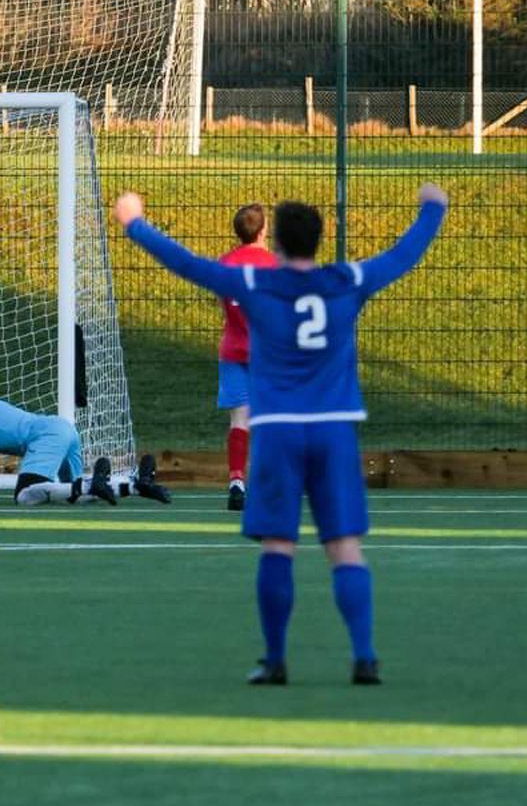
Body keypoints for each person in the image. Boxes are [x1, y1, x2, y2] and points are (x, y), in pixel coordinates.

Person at [116, 183, 449, 686]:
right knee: (344, 547)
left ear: (277, 247)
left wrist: (135, 223)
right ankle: (364, 656)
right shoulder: (349, 279)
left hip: (276, 434)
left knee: (278, 546)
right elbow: (404, 253)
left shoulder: (256, 283)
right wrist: (432, 209)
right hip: (335, 431)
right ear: (318, 241)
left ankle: (275, 660)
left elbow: (187, 264)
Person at [0, 379, 171, 506]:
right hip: (64, 431)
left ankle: (95, 480)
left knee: (25, 495)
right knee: (78, 497)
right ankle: (137, 484)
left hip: (45, 436)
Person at [217, 204, 279, 511]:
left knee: (239, 419)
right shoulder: (273, 265)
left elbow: (224, 303)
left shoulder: (225, 262)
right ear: (263, 229)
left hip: (233, 348)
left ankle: (237, 480)